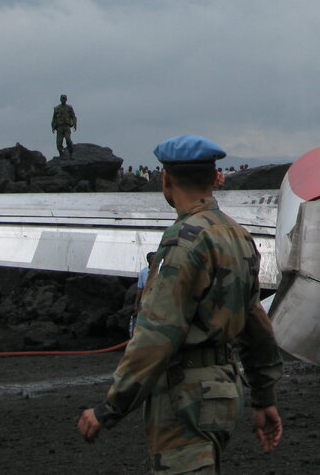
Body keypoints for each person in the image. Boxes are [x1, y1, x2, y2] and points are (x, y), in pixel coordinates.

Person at [76, 134, 283, 471]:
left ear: (166, 179)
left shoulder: (185, 241)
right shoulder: (237, 236)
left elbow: (157, 333)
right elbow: (255, 321)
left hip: (184, 396)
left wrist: (110, 408)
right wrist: (264, 398)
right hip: (222, 390)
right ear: (213, 178)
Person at [128, 251, 156, 334]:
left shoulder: (161, 271)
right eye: (153, 258)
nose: (155, 260)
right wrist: (136, 304)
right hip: (146, 300)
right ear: (149, 260)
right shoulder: (144, 272)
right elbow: (140, 289)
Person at [51, 93, 77, 158]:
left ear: (66, 99)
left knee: (68, 139)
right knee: (59, 142)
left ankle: (71, 153)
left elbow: (73, 116)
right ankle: (61, 153)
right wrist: (53, 127)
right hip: (59, 127)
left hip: (67, 126)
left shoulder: (69, 108)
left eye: (64, 98)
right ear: (60, 99)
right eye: (62, 98)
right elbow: (54, 118)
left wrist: (75, 124)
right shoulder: (56, 108)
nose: (63, 100)